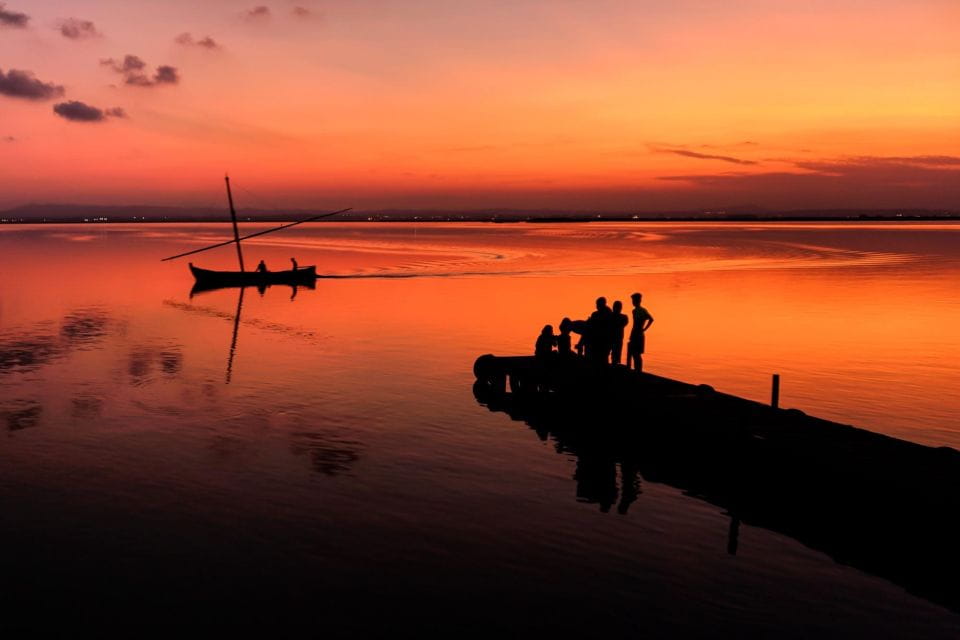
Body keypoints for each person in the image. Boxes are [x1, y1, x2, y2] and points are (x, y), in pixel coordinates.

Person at [626, 292, 654, 371]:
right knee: (637, 354)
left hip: (635, 333)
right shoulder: (644, 310)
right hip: (640, 334)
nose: (632, 302)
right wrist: (644, 329)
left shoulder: (634, 311)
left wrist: (643, 329)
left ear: (636, 301)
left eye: (633, 300)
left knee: (634, 354)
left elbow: (635, 325)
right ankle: (639, 370)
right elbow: (651, 319)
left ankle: (637, 370)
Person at [587, 297, 613, 364]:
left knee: (601, 358)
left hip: (602, 341)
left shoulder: (598, 314)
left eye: (597, 304)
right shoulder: (609, 313)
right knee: (603, 359)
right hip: (603, 341)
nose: (596, 306)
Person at [610, 300, 629, 365]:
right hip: (616, 338)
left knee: (614, 356)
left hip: (613, 338)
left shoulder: (610, 316)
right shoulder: (624, 317)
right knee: (615, 356)